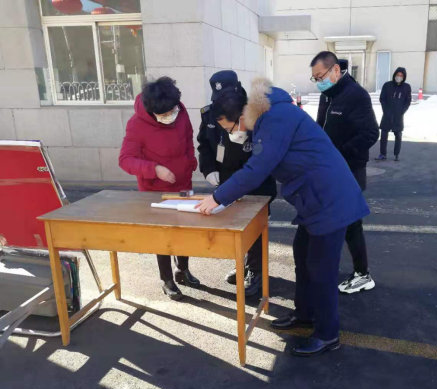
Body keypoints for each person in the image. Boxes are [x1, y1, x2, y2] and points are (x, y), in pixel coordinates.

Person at [195, 78, 370, 357]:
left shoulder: (275, 118)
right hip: (314, 200)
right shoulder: (269, 117)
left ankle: (327, 335)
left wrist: (217, 198)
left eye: (229, 128)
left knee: (322, 271)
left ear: (240, 116)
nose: (232, 134)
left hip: (330, 200)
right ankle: (305, 314)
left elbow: (257, 168)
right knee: (302, 256)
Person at [197, 70, 277, 297]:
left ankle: (256, 272)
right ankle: (244, 265)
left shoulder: (256, 113)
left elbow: (261, 160)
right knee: (235, 228)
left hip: (256, 181)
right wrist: (209, 170)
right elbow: (204, 145)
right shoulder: (211, 114)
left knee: (255, 231)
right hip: (226, 182)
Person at [119, 77, 199, 301]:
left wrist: (190, 162)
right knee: (162, 236)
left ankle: (183, 270)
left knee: (184, 231)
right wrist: (154, 169)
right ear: (152, 111)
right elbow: (125, 160)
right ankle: (167, 280)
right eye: (164, 114)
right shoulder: (137, 123)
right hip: (155, 190)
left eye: (172, 110)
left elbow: (188, 138)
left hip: (183, 184)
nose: (170, 115)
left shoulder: (180, 111)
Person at [310, 51, 379, 295]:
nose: (319, 82)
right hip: (328, 169)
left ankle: (362, 274)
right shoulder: (327, 95)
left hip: (349, 169)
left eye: (321, 76)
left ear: (336, 70)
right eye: (315, 78)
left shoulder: (356, 95)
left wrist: (340, 153)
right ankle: (335, 268)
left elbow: (370, 133)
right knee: (335, 220)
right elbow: (321, 127)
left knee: (350, 222)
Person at [377, 67, 411, 162]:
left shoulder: (406, 87)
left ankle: (396, 154)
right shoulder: (387, 85)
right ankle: (383, 154)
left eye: (401, 76)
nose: (399, 77)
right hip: (387, 114)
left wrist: (402, 111)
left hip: (398, 115)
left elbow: (407, 101)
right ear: (394, 75)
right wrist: (385, 110)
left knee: (398, 134)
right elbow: (382, 98)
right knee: (384, 133)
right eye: (397, 75)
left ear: (404, 77)